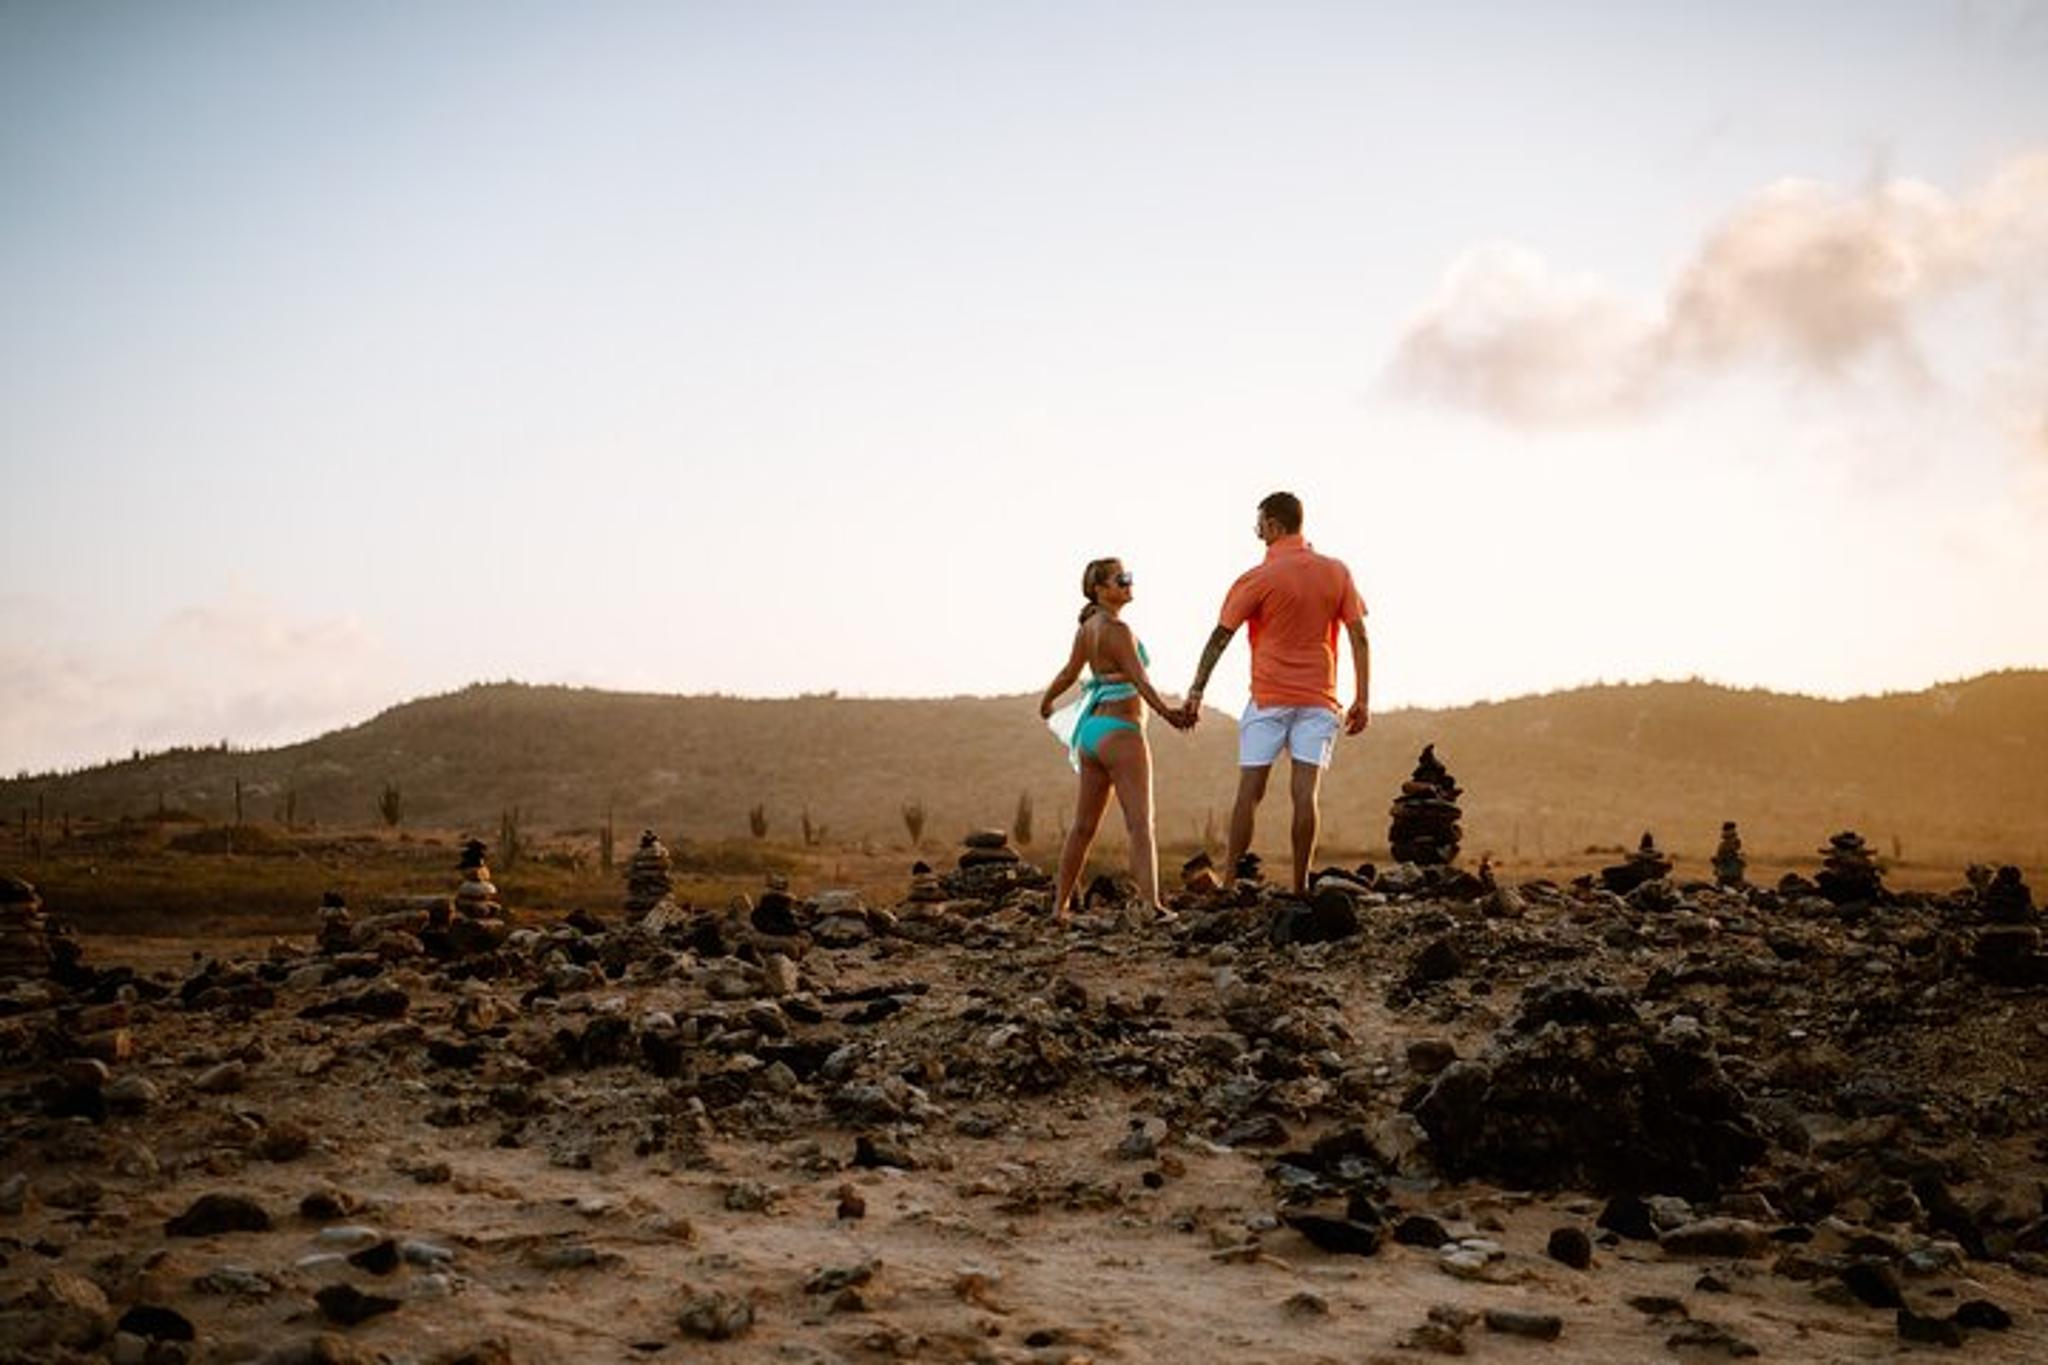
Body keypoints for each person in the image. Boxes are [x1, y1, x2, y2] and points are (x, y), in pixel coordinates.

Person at [1181, 492, 1369, 895]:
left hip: (1268, 699)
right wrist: (1363, 698)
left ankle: (1230, 881)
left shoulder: (1258, 578)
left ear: (1273, 526)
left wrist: (1196, 690)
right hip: (1320, 698)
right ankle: (1301, 886)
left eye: (1260, 523)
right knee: (1306, 793)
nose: (1258, 530)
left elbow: (1220, 638)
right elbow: (1359, 638)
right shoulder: (1337, 572)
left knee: (1250, 791)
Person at [1039, 557, 1192, 921]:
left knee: (1082, 826)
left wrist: (1046, 701)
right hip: (1122, 733)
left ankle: (1059, 907)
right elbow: (1141, 681)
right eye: (1120, 580)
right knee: (1140, 823)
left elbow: (1068, 673)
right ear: (1099, 588)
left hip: (1091, 734)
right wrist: (1168, 714)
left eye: (1128, 578)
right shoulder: (1118, 630)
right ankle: (1151, 906)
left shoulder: (1087, 628)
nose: (1127, 584)